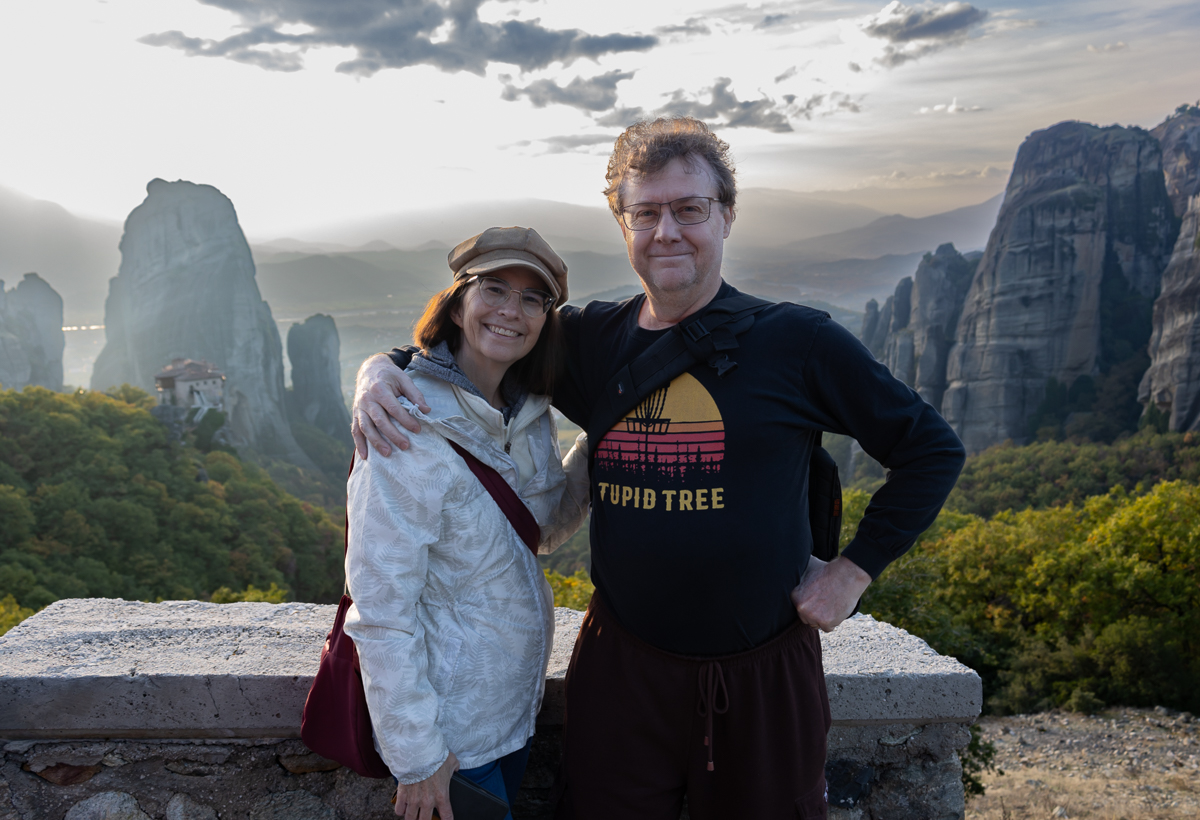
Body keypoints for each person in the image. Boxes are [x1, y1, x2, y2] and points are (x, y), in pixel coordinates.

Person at [351, 118, 966, 820]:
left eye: (689, 209)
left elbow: (930, 448)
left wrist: (853, 571)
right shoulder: (587, 341)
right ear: (624, 226)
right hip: (623, 674)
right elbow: (480, 342)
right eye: (645, 214)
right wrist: (382, 371)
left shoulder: (798, 342)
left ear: (726, 216)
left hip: (762, 674)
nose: (666, 232)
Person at [343, 226, 590, 820]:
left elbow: (538, 534)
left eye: (532, 298)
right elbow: (380, 611)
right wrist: (417, 757)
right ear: (457, 305)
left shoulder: (529, 412)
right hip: (449, 737)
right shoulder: (404, 426)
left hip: (511, 714)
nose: (511, 310)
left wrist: (602, 442)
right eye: (494, 289)